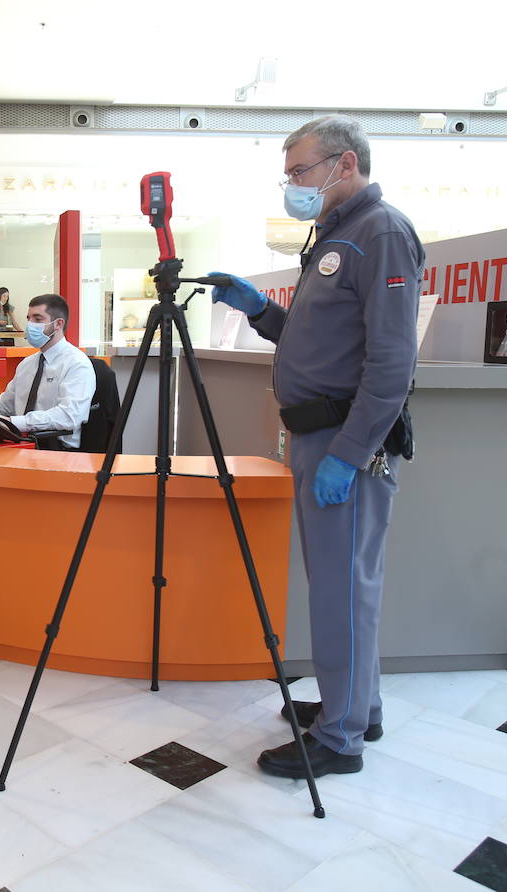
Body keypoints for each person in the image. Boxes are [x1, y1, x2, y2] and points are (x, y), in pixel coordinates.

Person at [208, 115, 424, 778]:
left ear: (345, 165)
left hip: (343, 440)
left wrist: (349, 453)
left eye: (301, 171)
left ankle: (340, 738)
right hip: (316, 433)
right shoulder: (335, 235)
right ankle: (357, 706)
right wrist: (258, 311)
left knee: (341, 591)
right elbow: (320, 340)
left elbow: (391, 362)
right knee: (339, 587)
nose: (292, 184)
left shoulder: (379, 233)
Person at [0, 294, 95, 450]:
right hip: (20, 446)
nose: (30, 324)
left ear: (58, 324)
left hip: (58, 450)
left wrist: (18, 423)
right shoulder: (27, 364)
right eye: (29, 319)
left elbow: (69, 416)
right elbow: (3, 406)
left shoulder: (77, 364)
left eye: (38, 319)